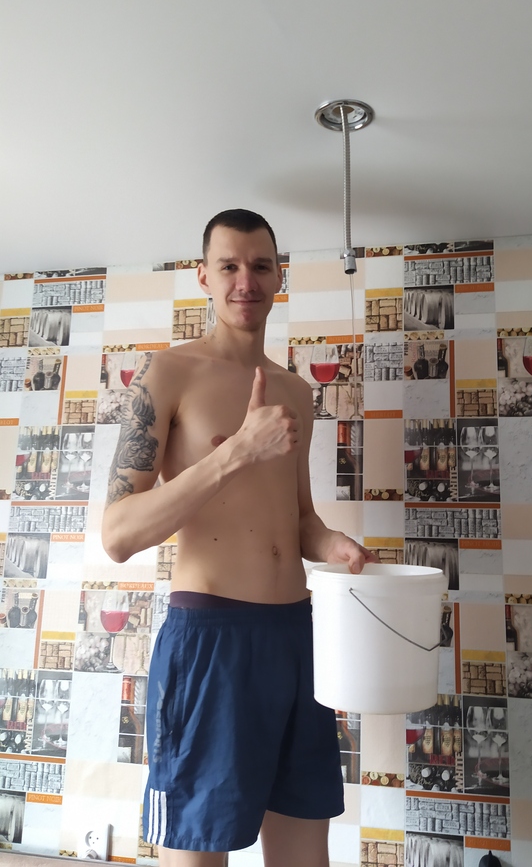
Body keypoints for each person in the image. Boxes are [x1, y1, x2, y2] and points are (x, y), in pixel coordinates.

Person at [101, 209, 376, 867]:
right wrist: (235, 452)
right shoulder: (168, 375)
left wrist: (334, 546)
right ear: (204, 276)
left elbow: (299, 517)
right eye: (228, 266)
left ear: (279, 276)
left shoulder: (296, 392)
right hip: (211, 640)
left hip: (297, 638)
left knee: (305, 852)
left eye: (259, 265)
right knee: (199, 852)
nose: (245, 280)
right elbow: (117, 533)